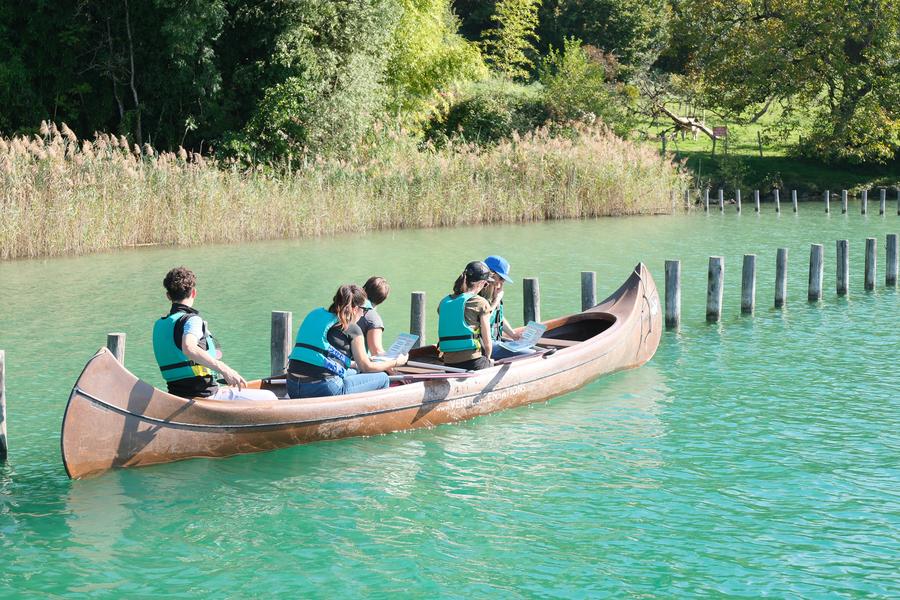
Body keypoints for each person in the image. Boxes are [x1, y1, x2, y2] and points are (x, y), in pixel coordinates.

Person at [152, 267, 277, 401]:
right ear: (194, 293)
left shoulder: (159, 324)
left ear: (168, 296)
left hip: (176, 396)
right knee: (269, 397)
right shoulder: (192, 320)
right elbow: (189, 347)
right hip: (204, 397)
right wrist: (225, 370)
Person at [286, 284, 408, 399]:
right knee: (382, 378)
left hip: (292, 386)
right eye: (364, 310)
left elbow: (323, 355)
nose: (364, 314)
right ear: (355, 309)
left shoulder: (315, 314)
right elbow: (367, 367)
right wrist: (396, 362)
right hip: (325, 389)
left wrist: (357, 364)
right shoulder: (353, 329)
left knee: (355, 371)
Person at [437, 261, 495, 370]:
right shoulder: (480, 302)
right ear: (481, 283)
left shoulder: (443, 302)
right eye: (486, 284)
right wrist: (488, 359)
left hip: (449, 364)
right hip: (473, 363)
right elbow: (488, 343)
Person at [480, 255, 524, 359]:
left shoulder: (494, 293)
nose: (502, 282)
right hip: (484, 346)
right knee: (531, 354)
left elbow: (498, 316)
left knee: (529, 350)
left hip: (495, 342)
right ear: (491, 274)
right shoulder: (478, 295)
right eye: (501, 278)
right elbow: (485, 319)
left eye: (503, 280)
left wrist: (512, 334)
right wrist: (496, 300)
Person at [357, 276, 390, 356]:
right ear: (382, 299)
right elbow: (377, 353)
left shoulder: (347, 305)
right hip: (356, 365)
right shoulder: (373, 318)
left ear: (364, 288)